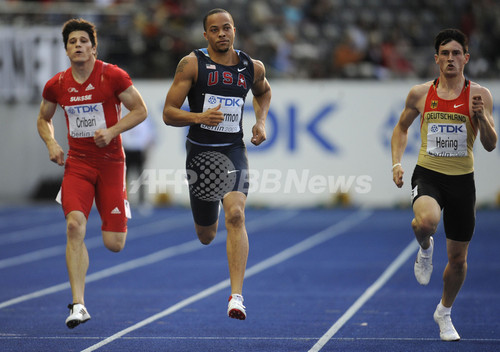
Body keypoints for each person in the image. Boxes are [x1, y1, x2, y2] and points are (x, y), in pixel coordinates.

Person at [37, 18, 148, 329]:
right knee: (75, 225)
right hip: (79, 164)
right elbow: (43, 118)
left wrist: (112, 131)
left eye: (83, 40)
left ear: (93, 47)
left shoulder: (112, 75)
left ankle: (119, 207)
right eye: (72, 41)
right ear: (67, 49)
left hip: (111, 164)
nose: (78, 45)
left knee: (114, 243)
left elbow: (141, 110)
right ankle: (78, 304)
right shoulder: (57, 85)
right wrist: (52, 143)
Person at [162, 8, 271, 320]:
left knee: (236, 215)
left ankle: (236, 296)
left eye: (227, 28)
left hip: (233, 151)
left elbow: (264, 93)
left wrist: (260, 122)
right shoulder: (192, 64)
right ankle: (205, 222)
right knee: (206, 234)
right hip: (201, 154)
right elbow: (169, 112)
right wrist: (199, 117)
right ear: (205, 35)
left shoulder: (252, 66)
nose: (222, 34)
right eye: (215, 29)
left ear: (234, 30)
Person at [391, 28, 497, 341]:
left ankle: (444, 312)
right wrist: (397, 163)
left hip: (463, 181)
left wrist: (484, 119)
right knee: (426, 222)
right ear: (436, 58)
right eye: (445, 54)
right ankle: (425, 247)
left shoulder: (480, 95)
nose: (450, 59)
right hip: (428, 174)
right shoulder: (421, 93)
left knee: (459, 261)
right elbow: (400, 129)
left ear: (466, 57)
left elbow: (490, 145)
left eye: (456, 53)